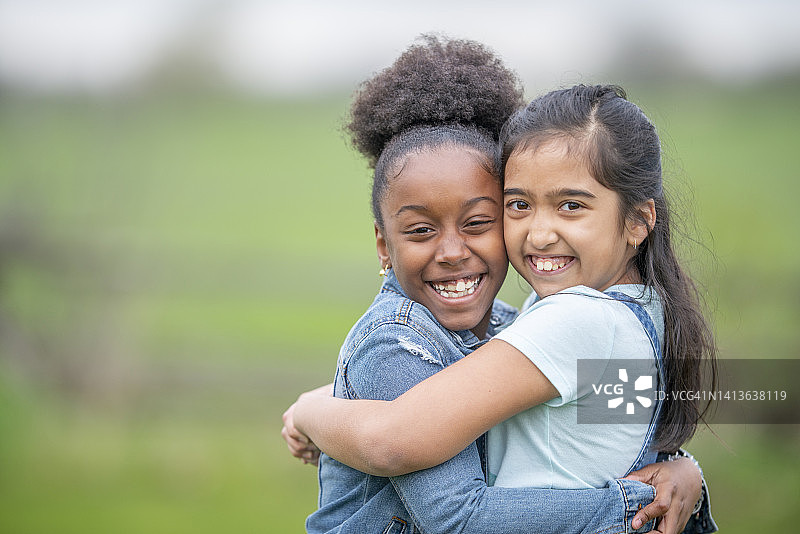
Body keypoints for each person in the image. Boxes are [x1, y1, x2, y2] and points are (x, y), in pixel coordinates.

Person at [286, 81, 718, 533]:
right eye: (519, 205)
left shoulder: (576, 320)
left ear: (636, 221)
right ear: (383, 244)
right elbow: (603, 440)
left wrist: (309, 410)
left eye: (570, 205)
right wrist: (676, 469)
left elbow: (395, 443)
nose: (539, 233)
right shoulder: (635, 314)